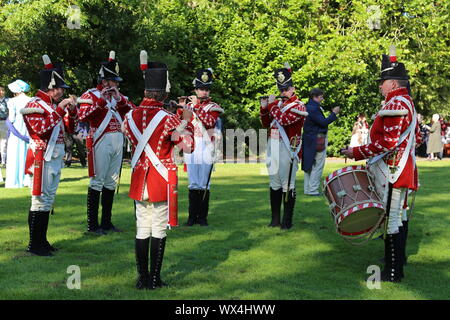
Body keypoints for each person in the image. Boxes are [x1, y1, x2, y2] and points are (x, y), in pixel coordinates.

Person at [342, 46, 421, 282]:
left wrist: (354, 152)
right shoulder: (405, 103)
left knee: (392, 219)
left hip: (393, 170)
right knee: (399, 216)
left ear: (394, 84)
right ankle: (397, 261)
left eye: (383, 81)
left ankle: (394, 272)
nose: (380, 85)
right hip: (400, 167)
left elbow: (387, 143)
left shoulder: (396, 105)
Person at [123, 51, 194, 289]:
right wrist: (187, 121)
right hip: (160, 178)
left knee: (142, 227)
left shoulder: (129, 116)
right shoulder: (169, 118)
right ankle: (155, 278)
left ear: (145, 92)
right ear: (164, 94)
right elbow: (188, 146)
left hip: (139, 178)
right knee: (159, 227)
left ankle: (142, 278)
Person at [22, 55, 78, 256]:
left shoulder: (54, 106)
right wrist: (59, 110)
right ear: (50, 87)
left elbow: (70, 129)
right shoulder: (34, 104)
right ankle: (33, 244)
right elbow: (41, 130)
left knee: (47, 200)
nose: (62, 92)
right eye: (59, 88)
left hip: (54, 157)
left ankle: (42, 240)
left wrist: (70, 112)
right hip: (40, 157)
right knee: (38, 200)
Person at [78, 51, 135, 235]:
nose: (116, 84)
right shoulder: (90, 95)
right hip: (100, 139)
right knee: (97, 182)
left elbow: (132, 112)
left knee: (111, 182)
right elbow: (83, 116)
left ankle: (106, 222)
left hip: (118, 139)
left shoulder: (120, 97)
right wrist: (102, 101)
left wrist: (118, 99)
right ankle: (92, 225)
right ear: (104, 80)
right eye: (113, 80)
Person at [260, 63, 308, 230]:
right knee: (274, 182)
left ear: (293, 88)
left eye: (286, 89)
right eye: (281, 90)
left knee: (288, 183)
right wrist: (264, 108)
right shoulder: (278, 106)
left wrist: (272, 105)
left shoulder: (299, 106)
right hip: (273, 144)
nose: (283, 93)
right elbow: (266, 122)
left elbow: (283, 120)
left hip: (288, 147)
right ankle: (275, 219)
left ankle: (287, 221)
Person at [179, 68, 224, 227]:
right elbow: (181, 125)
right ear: (195, 89)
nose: (203, 92)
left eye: (206, 89)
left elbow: (209, 122)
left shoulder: (213, 106)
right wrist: (180, 108)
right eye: (200, 89)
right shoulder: (189, 106)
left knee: (204, 183)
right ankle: (192, 217)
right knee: (193, 183)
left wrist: (196, 106)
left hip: (206, 145)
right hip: (191, 145)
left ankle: (202, 217)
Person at [301, 88, 340, 196]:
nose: (322, 99)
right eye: (321, 97)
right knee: (318, 165)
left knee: (309, 164)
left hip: (309, 138)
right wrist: (334, 114)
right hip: (317, 139)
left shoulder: (308, 106)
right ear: (315, 97)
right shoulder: (313, 108)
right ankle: (312, 190)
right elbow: (323, 122)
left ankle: (307, 189)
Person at [4, 80, 32, 188]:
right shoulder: (31, 100)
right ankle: (27, 180)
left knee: (15, 155)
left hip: (16, 131)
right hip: (27, 130)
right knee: (27, 154)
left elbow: (11, 118)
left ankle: (15, 181)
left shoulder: (12, 101)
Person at [0, 86, 9, 167]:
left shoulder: (8, 100)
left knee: (4, 143)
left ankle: (3, 161)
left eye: (3, 90)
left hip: (4, 122)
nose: (2, 92)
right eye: (1, 90)